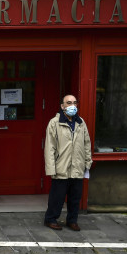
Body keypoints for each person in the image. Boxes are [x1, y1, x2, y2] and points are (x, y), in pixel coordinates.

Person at [43, 94, 92, 231]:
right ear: (62, 106)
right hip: (61, 167)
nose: (72, 105)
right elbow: (49, 148)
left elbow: (86, 143)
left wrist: (87, 163)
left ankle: (72, 220)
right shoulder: (54, 123)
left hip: (77, 167)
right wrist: (51, 169)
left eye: (75, 103)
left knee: (75, 198)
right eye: (69, 103)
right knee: (57, 197)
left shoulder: (80, 122)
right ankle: (50, 219)